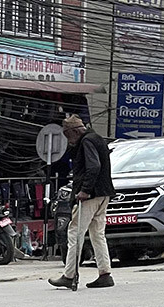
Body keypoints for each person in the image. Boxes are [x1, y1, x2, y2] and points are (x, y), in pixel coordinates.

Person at [49, 116, 115, 291]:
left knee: (74, 232)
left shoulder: (86, 141)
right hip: (104, 193)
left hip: (91, 195)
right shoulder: (97, 138)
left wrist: (85, 190)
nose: (68, 140)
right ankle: (105, 273)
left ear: (76, 131)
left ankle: (69, 275)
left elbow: (93, 167)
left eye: (68, 135)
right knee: (97, 233)